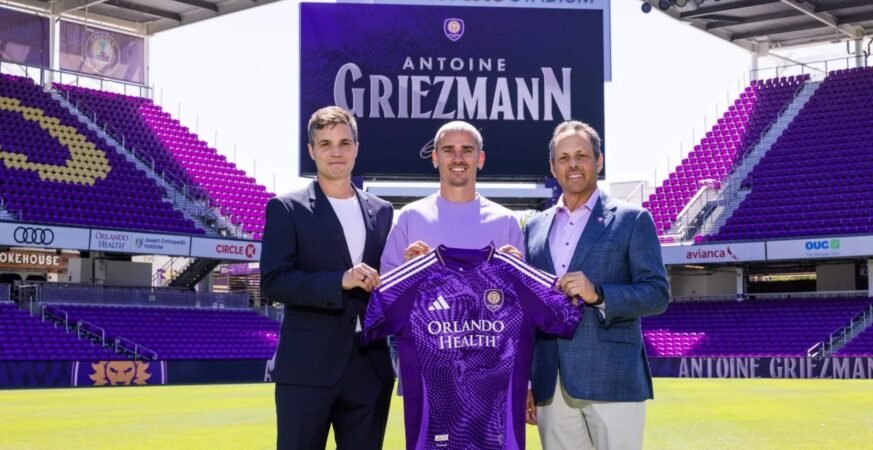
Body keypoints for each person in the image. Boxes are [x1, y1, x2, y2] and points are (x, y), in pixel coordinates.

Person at [523, 121, 670, 450]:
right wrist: (527, 381)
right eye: (563, 158)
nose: (572, 164)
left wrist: (598, 294)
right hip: (551, 383)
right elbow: (527, 312)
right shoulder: (534, 227)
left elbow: (658, 294)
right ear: (553, 167)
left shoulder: (632, 219)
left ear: (599, 161)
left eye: (581, 155)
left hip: (612, 379)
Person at [260, 106, 394, 450]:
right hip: (307, 368)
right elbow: (274, 281)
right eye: (326, 144)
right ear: (311, 150)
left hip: (370, 367)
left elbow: (388, 280)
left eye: (344, 143)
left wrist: (408, 264)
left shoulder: (382, 211)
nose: (336, 152)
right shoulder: (286, 208)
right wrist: (339, 281)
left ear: (356, 148)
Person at [380, 120, 524, 272]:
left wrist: (514, 272)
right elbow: (387, 283)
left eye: (467, 150)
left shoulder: (506, 222)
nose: (458, 159)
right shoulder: (410, 218)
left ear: (480, 159)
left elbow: (523, 285)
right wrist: (409, 271)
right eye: (448, 150)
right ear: (435, 158)